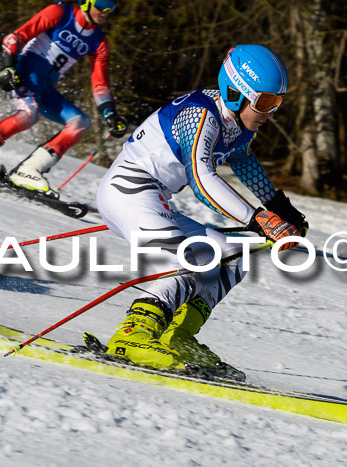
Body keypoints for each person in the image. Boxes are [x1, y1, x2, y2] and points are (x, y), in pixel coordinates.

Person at [96, 44, 308, 377]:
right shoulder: (200, 113)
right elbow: (200, 176)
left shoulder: (237, 124)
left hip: (156, 197)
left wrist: (281, 208)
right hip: (127, 191)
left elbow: (241, 160)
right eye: (265, 102)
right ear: (237, 94)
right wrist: (260, 219)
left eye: (277, 103)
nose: (270, 112)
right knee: (180, 262)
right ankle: (133, 335)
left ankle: (177, 336)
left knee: (233, 256)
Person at [0, 0, 126, 192]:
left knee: (80, 122)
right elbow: (15, 37)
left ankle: (28, 170)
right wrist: (8, 66)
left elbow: (100, 83)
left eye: (111, 7)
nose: (106, 11)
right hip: (26, 71)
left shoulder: (99, 42)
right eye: (102, 4)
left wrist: (110, 113)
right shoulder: (61, 12)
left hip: (46, 87)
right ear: (86, 3)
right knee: (29, 114)